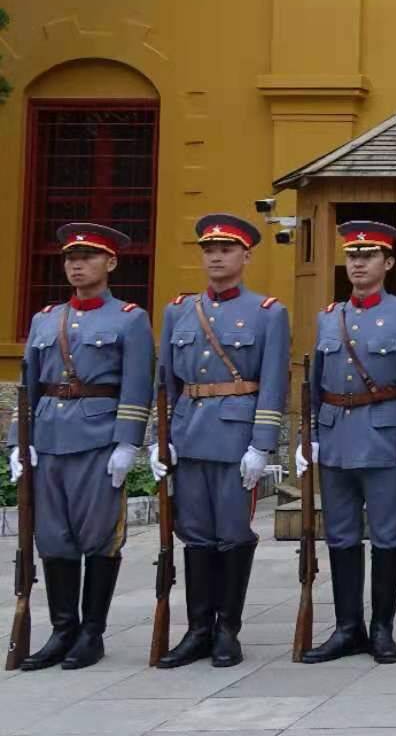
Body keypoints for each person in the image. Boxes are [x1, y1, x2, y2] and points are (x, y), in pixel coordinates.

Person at [7, 223, 152, 671]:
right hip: (49, 439)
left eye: (88, 257)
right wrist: (18, 442)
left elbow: (137, 385)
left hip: (97, 440)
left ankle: (92, 633)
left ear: (109, 263)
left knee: (98, 539)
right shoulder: (45, 318)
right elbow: (27, 385)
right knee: (53, 539)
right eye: (71, 257)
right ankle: (61, 629)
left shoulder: (129, 318)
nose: (76, 264)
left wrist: (128, 443)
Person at [150, 214, 292, 668]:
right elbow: (166, 382)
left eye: (226, 249)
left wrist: (261, 444)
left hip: (235, 438)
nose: (215, 256)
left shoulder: (268, 312)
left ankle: (227, 628)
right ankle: (197, 630)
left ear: (246, 256)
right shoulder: (178, 311)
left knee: (231, 534)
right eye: (208, 249)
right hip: (189, 435)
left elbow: (272, 383)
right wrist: (161, 438)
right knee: (194, 536)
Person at [289, 220, 396, 664]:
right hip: (335, 435)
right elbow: (315, 383)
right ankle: (349, 628)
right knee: (341, 535)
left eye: (368, 257)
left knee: (387, 535)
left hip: (383, 436)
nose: (359, 263)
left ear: (387, 263)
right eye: (352, 256)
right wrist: (306, 436)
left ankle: (382, 629)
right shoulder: (330, 317)